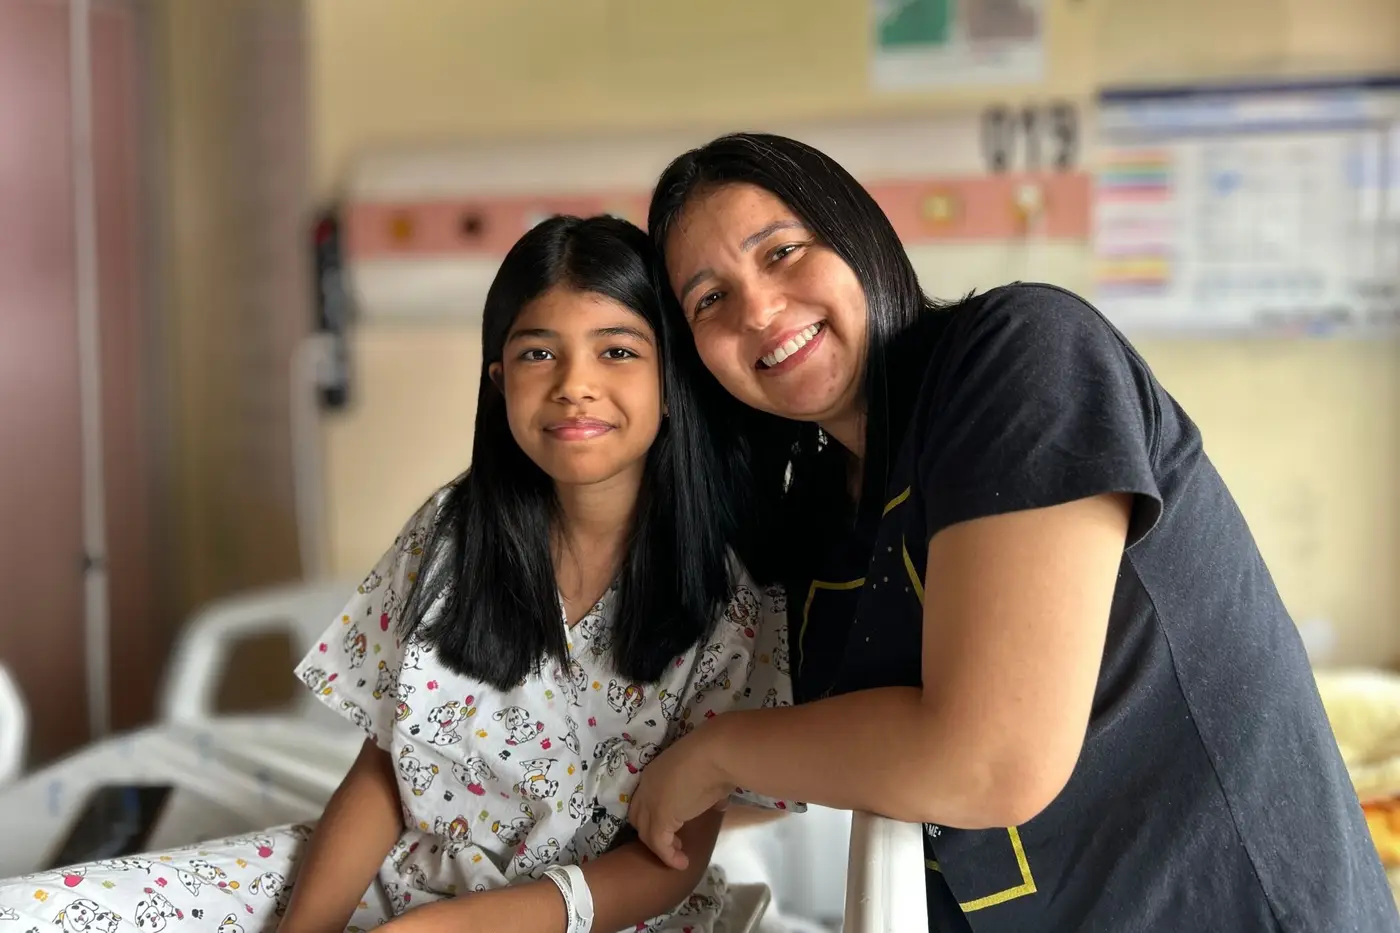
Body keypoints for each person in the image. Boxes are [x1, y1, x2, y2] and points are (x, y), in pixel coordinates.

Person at [625, 133, 1400, 932]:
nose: (757, 310)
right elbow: (812, 758)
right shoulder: (823, 511)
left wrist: (716, 753)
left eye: (782, 251)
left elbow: (989, 760)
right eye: (709, 299)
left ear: (857, 234)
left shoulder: (1025, 357)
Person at [0, 215, 800, 933]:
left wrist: (447, 929)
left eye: (617, 350)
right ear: (499, 380)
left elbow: (670, 861)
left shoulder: (728, 590)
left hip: (594, 915)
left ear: (672, 381)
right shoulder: (454, 532)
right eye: (538, 352)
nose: (574, 384)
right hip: (411, 876)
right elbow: (385, 769)